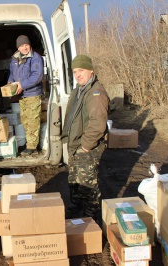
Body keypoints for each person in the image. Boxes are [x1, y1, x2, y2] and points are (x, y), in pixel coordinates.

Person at [61, 54, 109, 224]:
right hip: (75, 144)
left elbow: (98, 124)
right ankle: (75, 209)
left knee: (88, 184)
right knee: (74, 180)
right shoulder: (78, 90)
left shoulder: (96, 93)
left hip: (87, 146)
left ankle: (92, 219)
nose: (78, 74)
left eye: (81, 70)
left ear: (91, 71)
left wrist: (86, 146)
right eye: (75, 72)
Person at [8, 35, 44, 155]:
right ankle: (30, 144)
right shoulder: (15, 59)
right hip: (22, 95)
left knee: (32, 120)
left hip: (32, 94)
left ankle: (33, 147)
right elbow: (12, 74)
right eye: (21, 45)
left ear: (30, 45)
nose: (24, 47)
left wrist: (22, 85)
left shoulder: (35, 58)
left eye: (26, 45)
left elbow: (37, 76)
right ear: (18, 47)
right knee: (25, 120)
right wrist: (10, 82)